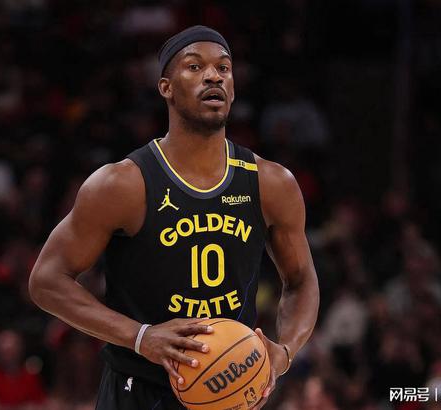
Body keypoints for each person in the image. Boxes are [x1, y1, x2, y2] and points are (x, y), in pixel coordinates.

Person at [29, 25, 319, 409]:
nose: (213, 76)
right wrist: (140, 336)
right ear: (166, 87)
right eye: (195, 67)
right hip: (138, 391)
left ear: (233, 88)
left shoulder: (271, 183)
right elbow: (46, 280)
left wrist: (284, 353)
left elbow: (301, 280)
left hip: (228, 389)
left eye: (224, 68)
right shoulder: (123, 184)